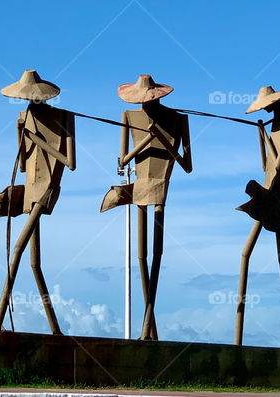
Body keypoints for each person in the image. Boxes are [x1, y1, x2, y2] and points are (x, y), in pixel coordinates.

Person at [0, 69, 75, 334]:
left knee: (18, 248)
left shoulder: (64, 118)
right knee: (35, 263)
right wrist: (20, 134)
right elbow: (22, 166)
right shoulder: (24, 117)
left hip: (47, 188)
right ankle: (55, 329)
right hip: (31, 187)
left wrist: (38, 141)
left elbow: (70, 163)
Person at [101, 74, 192, 340]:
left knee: (157, 253)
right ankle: (147, 329)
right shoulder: (128, 116)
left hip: (161, 182)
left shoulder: (178, 119)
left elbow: (187, 165)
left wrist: (163, 141)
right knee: (140, 255)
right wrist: (144, 140)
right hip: (140, 184)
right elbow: (122, 161)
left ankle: (147, 328)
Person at [234, 86, 280, 348]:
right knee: (245, 253)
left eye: (268, 105)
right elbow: (266, 166)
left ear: (278, 103)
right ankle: (238, 339)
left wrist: (266, 136)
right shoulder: (271, 128)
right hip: (264, 189)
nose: (266, 110)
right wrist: (261, 135)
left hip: (274, 195)